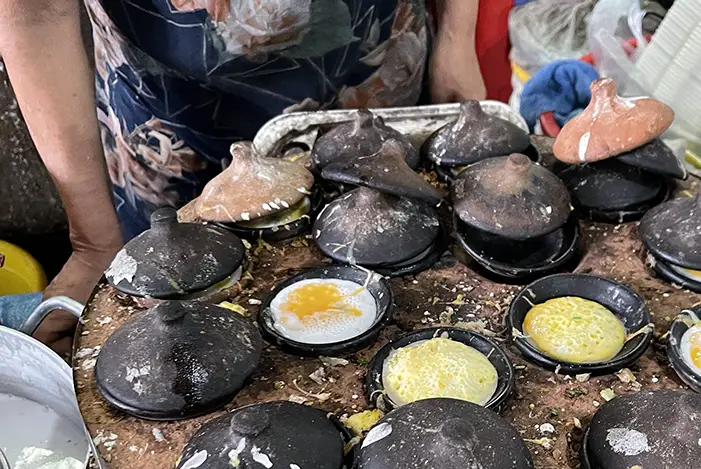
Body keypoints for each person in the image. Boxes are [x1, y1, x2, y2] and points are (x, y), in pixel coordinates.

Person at [0, 0, 486, 352]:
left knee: (395, 267)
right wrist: (93, 242)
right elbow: (34, 10)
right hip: (175, 118)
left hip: (371, 80)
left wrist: (456, 37)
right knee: (183, 315)